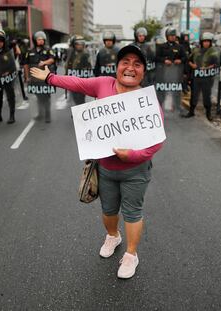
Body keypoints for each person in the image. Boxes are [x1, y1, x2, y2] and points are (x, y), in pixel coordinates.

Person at [31, 44, 164, 279]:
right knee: (108, 210)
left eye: (137, 64)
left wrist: (131, 155)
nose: (130, 68)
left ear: (143, 71)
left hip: (135, 170)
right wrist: (50, 77)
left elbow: (156, 141)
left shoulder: (147, 100)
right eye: (125, 62)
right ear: (117, 67)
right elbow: (77, 83)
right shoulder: (103, 84)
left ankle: (131, 255)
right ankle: (113, 236)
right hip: (105, 168)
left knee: (133, 212)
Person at [183, 32, 218, 120]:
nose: (206, 43)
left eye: (208, 41)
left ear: (210, 42)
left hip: (207, 78)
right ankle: (191, 112)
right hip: (196, 77)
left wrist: (208, 68)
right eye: (204, 41)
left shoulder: (214, 52)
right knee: (194, 95)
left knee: (207, 96)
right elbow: (189, 60)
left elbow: (217, 64)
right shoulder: (196, 50)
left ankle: (208, 114)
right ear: (201, 42)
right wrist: (192, 65)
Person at [24, 31, 56, 122]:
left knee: (46, 96)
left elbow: (52, 59)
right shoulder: (30, 51)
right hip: (34, 79)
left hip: (45, 78)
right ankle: (40, 113)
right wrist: (27, 77)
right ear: (35, 40)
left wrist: (44, 62)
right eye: (39, 40)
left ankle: (48, 115)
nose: (41, 41)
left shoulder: (48, 49)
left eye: (42, 40)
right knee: (38, 96)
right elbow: (26, 64)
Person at [65, 35, 93, 105]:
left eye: (81, 44)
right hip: (73, 80)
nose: (80, 46)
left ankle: (80, 114)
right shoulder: (71, 53)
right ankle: (77, 113)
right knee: (75, 98)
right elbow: (68, 65)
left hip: (82, 81)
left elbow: (89, 68)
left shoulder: (85, 54)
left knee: (80, 99)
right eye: (77, 44)